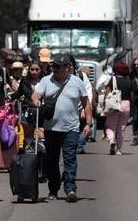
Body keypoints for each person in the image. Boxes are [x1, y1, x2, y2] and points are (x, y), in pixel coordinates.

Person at [31, 54, 92, 203]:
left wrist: (89, 124)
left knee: (70, 158)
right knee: (51, 160)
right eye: (54, 66)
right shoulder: (46, 81)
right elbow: (35, 95)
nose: (55, 69)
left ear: (67, 67)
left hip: (71, 128)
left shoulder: (77, 82)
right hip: (51, 128)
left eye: (58, 66)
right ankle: (53, 189)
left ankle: (70, 188)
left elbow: (86, 103)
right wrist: (37, 102)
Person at [10, 61, 43, 146]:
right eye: (32, 69)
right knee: (28, 136)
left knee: (42, 135)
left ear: (41, 70)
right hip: (27, 110)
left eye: (37, 69)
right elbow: (19, 92)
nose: (34, 72)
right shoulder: (24, 80)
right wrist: (10, 97)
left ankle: (41, 155)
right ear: (29, 70)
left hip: (41, 111)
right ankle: (29, 154)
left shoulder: (45, 81)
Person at [104, 61, 133, 155]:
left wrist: (104, 104)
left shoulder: (112, 79)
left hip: (114, 105)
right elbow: (131, 96)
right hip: (126, 105)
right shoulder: (129, 81)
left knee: (110, 126)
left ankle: (112, 141)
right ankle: (119, 150)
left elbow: (107, 93)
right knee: (121, 129)